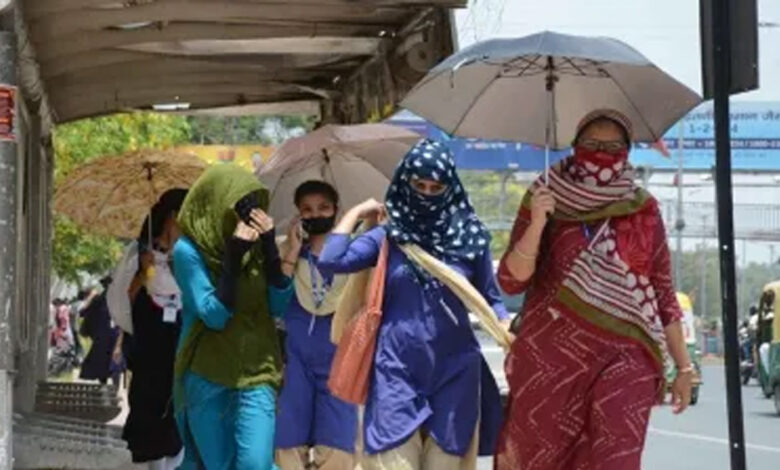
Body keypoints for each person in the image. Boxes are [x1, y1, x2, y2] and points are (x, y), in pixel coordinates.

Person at [494, 110, 693, 470]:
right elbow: (512, 280)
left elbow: (663, 292)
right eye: (592, 144)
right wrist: (537, 223)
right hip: (552, 357)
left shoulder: (643, 209)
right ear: (575, 146)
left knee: (615, 458)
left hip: (626, 353)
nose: (602, 154)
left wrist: (684, 368)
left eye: (613, 147)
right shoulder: (545, 195)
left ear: (627, 151)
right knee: (541, 457)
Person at [317, 139, 510, 470]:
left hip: (455, 373)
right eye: (419, 185)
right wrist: (358, 213)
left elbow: (491, 299)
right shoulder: (389, 237)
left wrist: (506, 329)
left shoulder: (470, 237)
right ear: (404, 183)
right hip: (395, 370)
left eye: (436, 187)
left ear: (450, 188)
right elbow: (331, 260)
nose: (426, 194)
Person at [172, 164, 286, 470]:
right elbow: (214, 316)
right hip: (208, 374)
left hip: (258, 370)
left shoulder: (258, 245)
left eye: (252, 205)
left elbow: (278, 306)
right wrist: (233, 258)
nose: (246, 216)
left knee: (256, 464)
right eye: (238, 206)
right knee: (219, 465)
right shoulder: (188, 251)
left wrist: (270, 250)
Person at [274, 181, 358, 470]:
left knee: (338, 444)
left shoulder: (356, 253)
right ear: (298, 214)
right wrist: (293, 250)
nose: (316, 214)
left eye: (323, 207)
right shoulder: (286, 251)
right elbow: (276, 297)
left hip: (339, 359)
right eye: (307, 209)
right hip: (295, 360)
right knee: (287, 440)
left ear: (337, 211)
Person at [117, 188, 188, 470]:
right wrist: (144, 270)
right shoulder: (143, 251)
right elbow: (128, 295)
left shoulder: (189, 254)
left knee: (177, 401)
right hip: (150, 339)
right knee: (150, 399)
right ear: (171, 216)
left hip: (179, 335)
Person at [79, 277, 124, 387]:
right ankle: (107, 388)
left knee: (112, 364)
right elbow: (83, 312)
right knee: (104, 364)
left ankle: (112, 388)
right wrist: (91, 297)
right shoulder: (100, 299)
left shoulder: (119, 300)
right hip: (105, 336)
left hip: (112, 336)